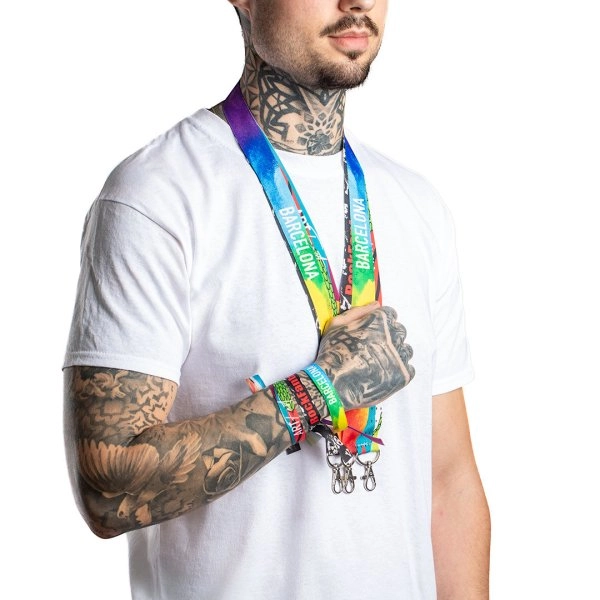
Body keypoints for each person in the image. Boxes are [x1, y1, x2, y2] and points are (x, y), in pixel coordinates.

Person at [63, 1, 490, 598]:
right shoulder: (157, 197)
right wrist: (319, 390)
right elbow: (109, 492)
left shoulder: (417, 205)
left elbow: (448, 481)